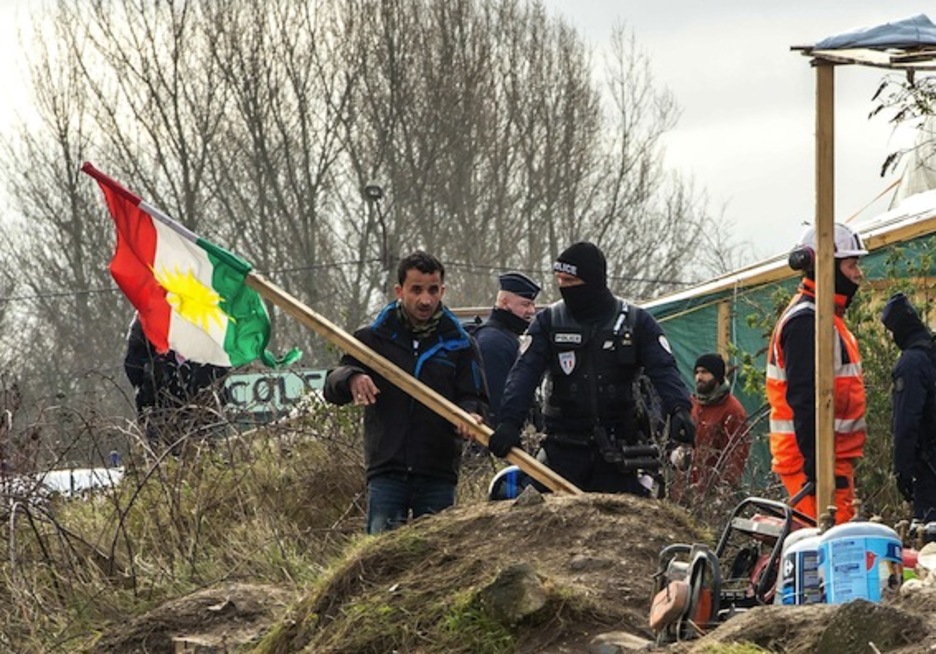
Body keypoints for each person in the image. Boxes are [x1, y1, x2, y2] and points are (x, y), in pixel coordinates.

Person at [487, 241, 694, 495]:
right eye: (559, 281)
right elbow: (524, 374)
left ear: (593, 281)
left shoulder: (636, 322)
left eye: (571, 281)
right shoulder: (549, 322)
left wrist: (680, 408)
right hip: (562, 451)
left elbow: (664, 369)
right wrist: (509, 421)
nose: (564, 287)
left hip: (619, 454)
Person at [323, 251, 488, 534]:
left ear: (442, 291)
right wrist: (352, 378)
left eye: (433, 290)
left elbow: (476, 396)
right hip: (387, 470)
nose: (425, 300)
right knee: (381, 552)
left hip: (437, 471)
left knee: (439, 552)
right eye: (416, 290)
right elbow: (332, 386)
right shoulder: (371, 339)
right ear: (399, 291)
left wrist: (471, 414)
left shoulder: (461, 344)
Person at [766, 223, 867, 524]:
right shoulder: (807, 322)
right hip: (813, 464)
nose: (858, 274)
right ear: (827, 266)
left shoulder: (825, 319)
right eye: (851, 265)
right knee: (831, 546)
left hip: (826, 461)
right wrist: (817, 466)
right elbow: (805, 397)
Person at [123, 314, 230, 449]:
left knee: (201, 451)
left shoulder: (208, 313)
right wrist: (151, 376)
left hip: (201, 410)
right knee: (160, 451)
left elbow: (223, 363)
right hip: (159, 408)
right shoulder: (150, 313)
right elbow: (133, 364)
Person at [881, 292, 936, 523]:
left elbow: (906, 423)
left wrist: (903, 471)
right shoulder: (930, 354)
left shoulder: (911, 363)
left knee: (928, 537)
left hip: (930, 473)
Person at [473, 271, 541, 424]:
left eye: (532, 304)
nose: (531, 311)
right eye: (525, 304)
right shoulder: (494, 343)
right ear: (504, 302)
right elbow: (495, 401)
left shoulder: (504, 338)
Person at [686, 353, 749, 494]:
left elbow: (736, 456)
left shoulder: (733, 411)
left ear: (718, 376)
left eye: (705, 372)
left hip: (710, 491)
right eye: (697, 372)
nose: (699, 377)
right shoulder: (692, 404)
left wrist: (722, 490)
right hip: (685, 490)